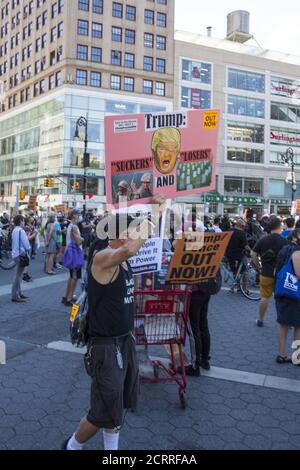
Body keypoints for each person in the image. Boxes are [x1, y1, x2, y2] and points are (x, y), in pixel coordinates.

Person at [62, 196, 165, 451]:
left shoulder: (125, 260)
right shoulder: (103, 257)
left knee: (116, 405)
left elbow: (127, 283)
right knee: (102, 410)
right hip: (106, 347)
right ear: (119, 234)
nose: (136, 234)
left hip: (124, 340)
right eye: (132, 229)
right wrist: (155, 214)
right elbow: (129, 249)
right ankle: (72, 446)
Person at [251, 216, 288, 327]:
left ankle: (260, 320)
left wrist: (257, 265)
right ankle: (284, 321)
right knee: (282, 299)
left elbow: (253, 254)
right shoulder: (284, 241)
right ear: (279, 227)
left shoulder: (263, 239)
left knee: (265, 297)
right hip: (281, 275)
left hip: (266, 272)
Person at [274, 229, 300, 364]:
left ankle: (282, 354)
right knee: (298, 326)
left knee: (283, 324)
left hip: (283, 292)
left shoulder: (286, 248)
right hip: (294, 294)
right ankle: (296, 357)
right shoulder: (297, 252)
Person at [62, 209, 84, 307]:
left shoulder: (71, 226)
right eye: (79, 214)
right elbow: (78, 241)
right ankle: (69, 299)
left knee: (72, 276)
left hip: (72, 254)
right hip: (75, 255)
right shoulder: (74, 227)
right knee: (74, 277)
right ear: (74, 216)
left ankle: (66, 296)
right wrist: (83, 238)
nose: (80, 216)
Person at [11, 215, 31, 303]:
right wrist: (28, 250)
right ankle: (15, 296)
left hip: (15, 254)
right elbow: (26, 244)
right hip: (20, 255)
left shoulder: (14, 230)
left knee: (18, 275)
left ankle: (19, 293)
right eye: (23, 221)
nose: (24, 222)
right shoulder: (21, 231)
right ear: (20, 221)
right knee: (18, 276)